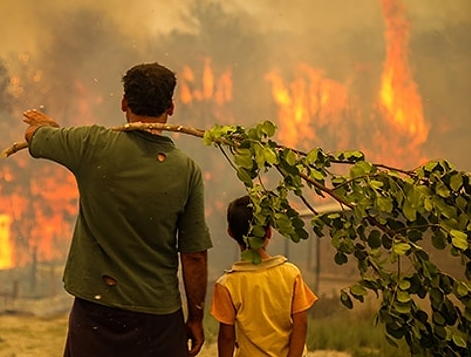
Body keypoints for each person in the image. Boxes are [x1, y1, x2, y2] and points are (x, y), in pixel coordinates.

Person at [22, 62, 213, 357]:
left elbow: (34, 136)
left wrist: (46, 128)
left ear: (124, 103)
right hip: (158, 318)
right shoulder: (186, 171)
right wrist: (196, 317)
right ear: (171, 107)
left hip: (96, 313)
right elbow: (194, 255)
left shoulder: (90, 145)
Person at [210, 196, 318, 357]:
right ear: (269, 231)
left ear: (230, 233)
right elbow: (300, 324)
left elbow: (227, 337)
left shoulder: (227, 285)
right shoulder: (291, 273)